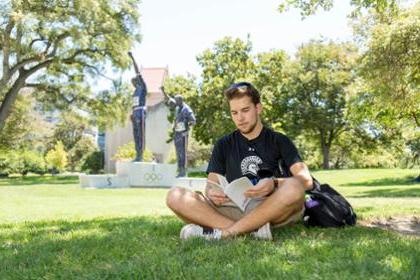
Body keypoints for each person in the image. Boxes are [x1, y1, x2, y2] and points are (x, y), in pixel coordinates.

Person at [166, 82, 314, 240]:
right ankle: (250, 231)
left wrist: (275, 183)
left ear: (258, 108)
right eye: (234, 113)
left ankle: (227, 233)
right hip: (234, 207)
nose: (240, 118)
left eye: (245, 110)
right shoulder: (223, 144)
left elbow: (306, 181)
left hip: (270, 207)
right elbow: (212, 183)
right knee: (175, 195)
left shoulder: (279, 140)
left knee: (294, 187)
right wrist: (212, 192)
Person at [161, 86, 196, 177]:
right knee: (178, 152)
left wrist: (187, 130)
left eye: (177, 101)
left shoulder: (186, 109)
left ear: (181, 101)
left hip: (183, 134)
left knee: (182, 153)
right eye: (175, 101)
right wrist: (163, 91)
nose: (175, 103)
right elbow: (169, 99)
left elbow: (193, 121)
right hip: (177, 133)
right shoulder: (177, 107)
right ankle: (179, 170)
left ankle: (183, 171)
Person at [128, 52, 147, 162]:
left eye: (134, 80)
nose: (133, 82)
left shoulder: (143, 87)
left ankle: (141, 154)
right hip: (135, 113)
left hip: (141, 113)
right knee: (135, 134)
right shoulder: (135, 92)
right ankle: (137, 153)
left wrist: (132, 58)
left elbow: (137, 71)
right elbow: (134, 103)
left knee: (140, 134)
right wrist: (132, 113)